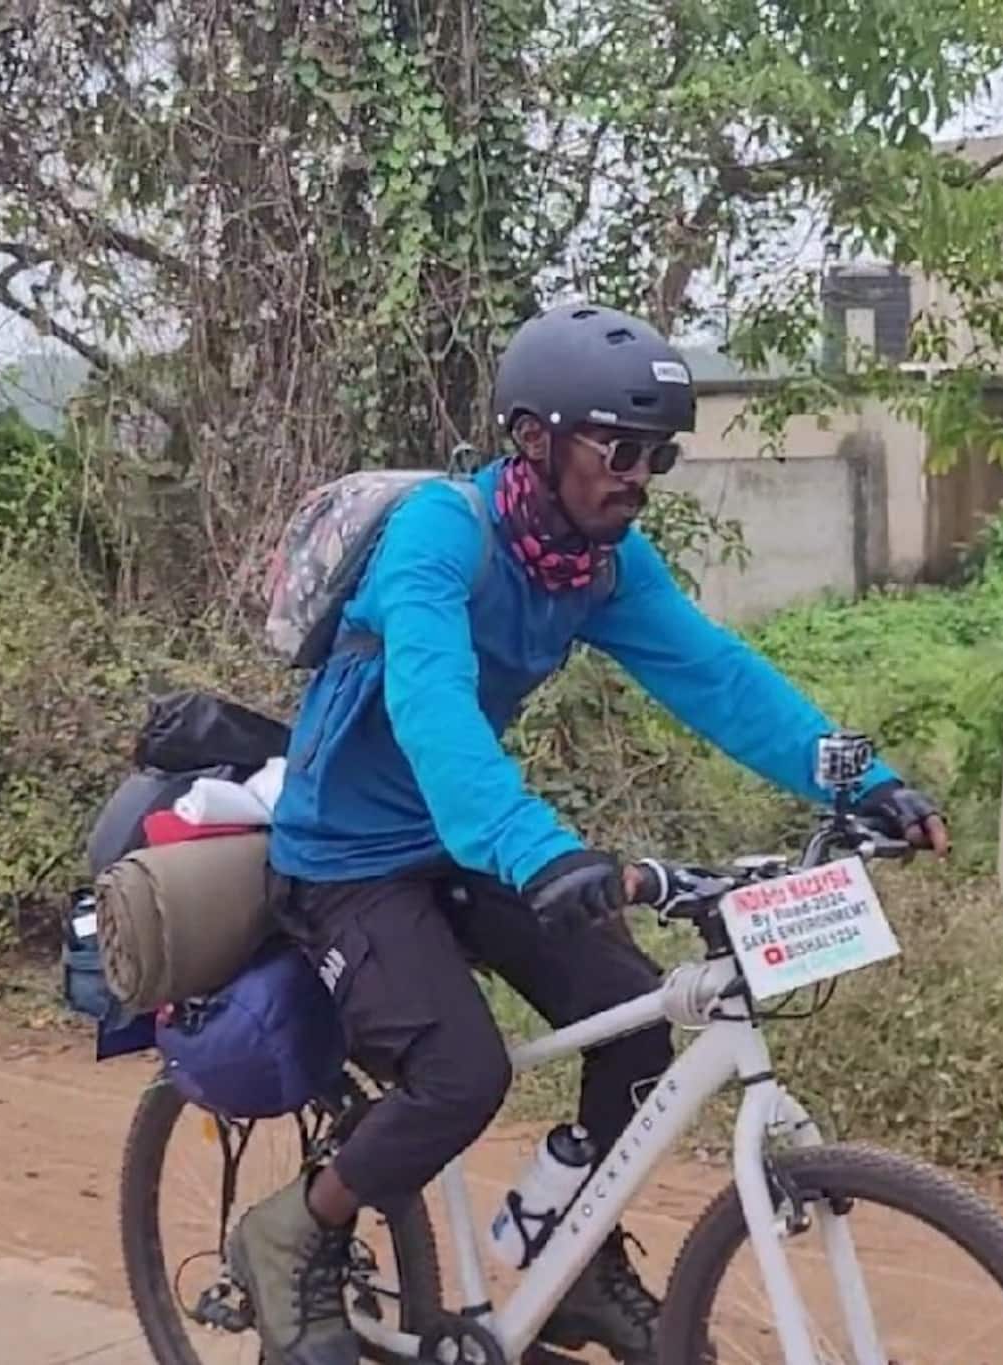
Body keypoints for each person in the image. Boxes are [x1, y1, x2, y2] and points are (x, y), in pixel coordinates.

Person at [231, 302, 951, 1365]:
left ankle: (571, 1257)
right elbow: (433, 710)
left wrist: (863, 779)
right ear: (535, 436)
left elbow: (718, 677)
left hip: (462, 848)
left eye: (656, 453)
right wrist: (537, 846)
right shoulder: (441, 537)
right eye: (618, 448)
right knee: (459, 1075)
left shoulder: (598, 563)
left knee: (633, 1021)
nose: (638, 474)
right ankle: (296, 1231)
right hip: (347, 858)